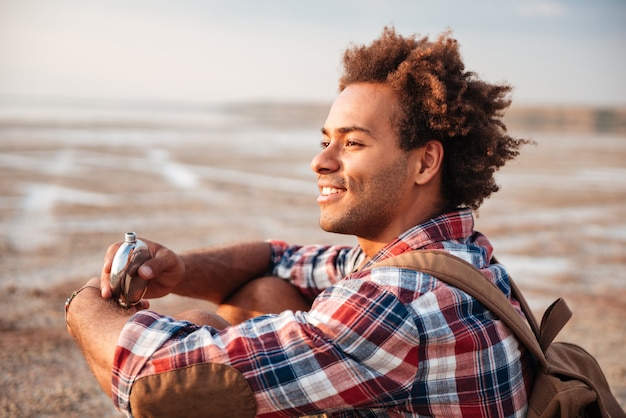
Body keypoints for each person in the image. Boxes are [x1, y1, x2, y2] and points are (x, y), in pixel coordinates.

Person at [66, 27, 534, 417]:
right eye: (326, 139)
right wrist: (181, 271)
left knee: (197, 336)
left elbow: (155, 379)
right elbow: (278, 257)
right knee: (264, 289)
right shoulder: (455, 254)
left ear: (425, 162)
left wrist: (86, 302)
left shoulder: (399, 303)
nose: (319, 160)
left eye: (352, 143)